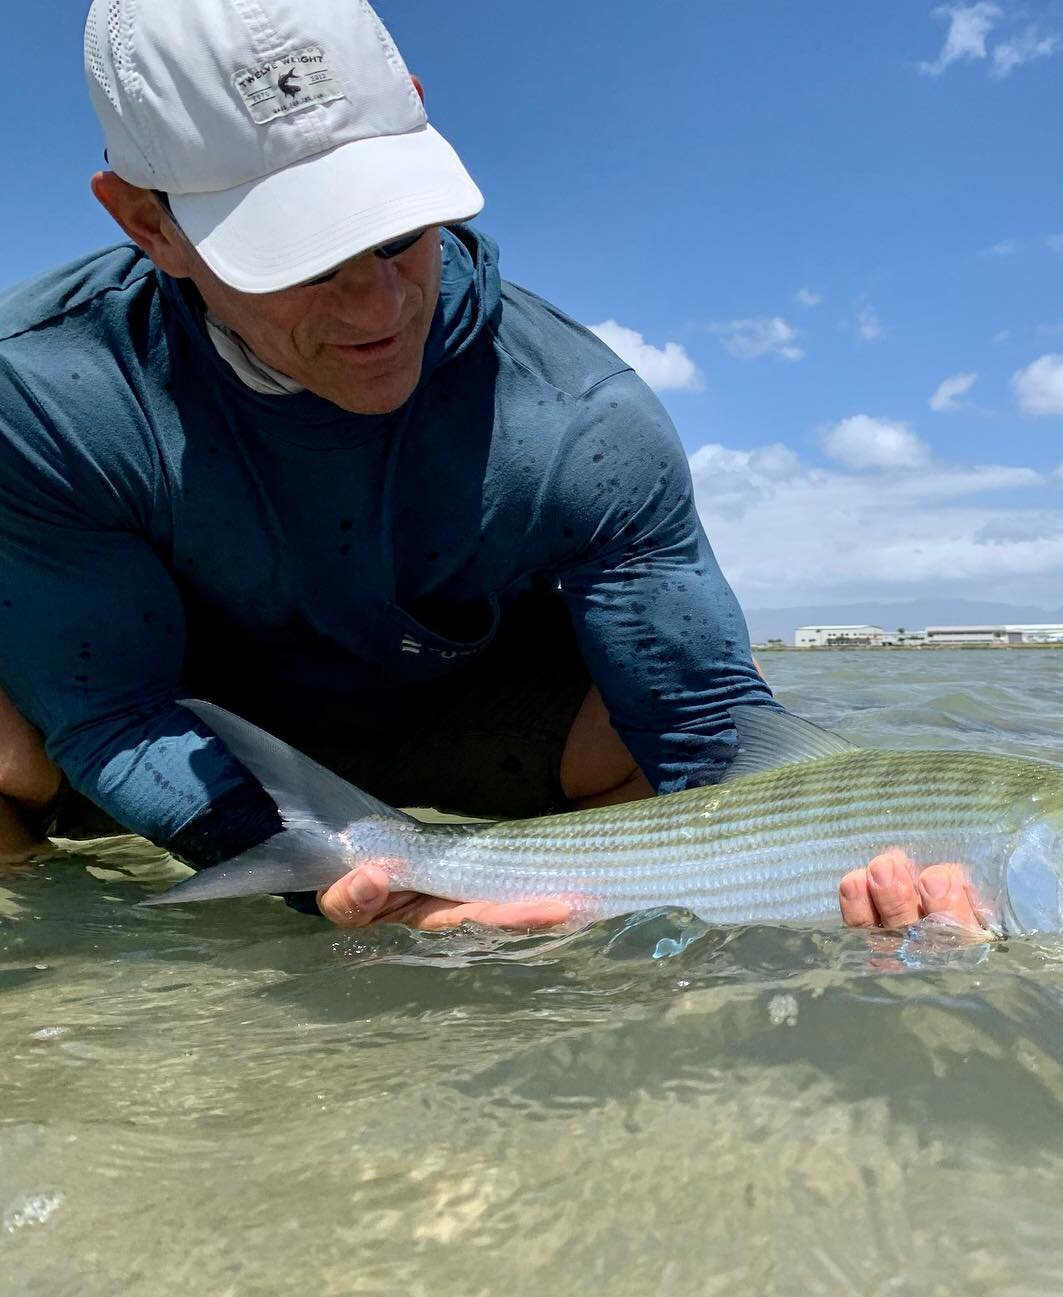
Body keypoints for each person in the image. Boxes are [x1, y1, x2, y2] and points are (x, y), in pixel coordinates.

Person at [0, 0, 977, 934]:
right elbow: (112, 709)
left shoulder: (585, 415)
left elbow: (705, 729)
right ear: (147, 222)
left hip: (455, 716)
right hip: (188, 718)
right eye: (299, 260)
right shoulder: (47, 390)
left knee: (686, 724)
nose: (377, 308)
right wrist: (316, 878)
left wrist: (871, 872)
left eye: (396, 232)